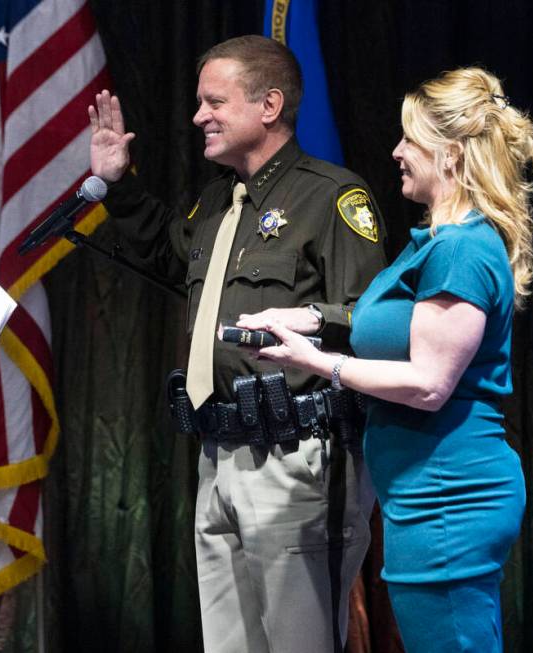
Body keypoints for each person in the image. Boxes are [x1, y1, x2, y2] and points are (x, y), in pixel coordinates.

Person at [88, 35, 387, 652]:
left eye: (214, 102)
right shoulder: (218, 199)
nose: (199, 116)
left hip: (299, 456)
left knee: (300, 641)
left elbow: (373, 318)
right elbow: (171, 256)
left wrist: (308, 318)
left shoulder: (334, 197)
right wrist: (118, 186)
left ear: (269, 105)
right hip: (217, 452)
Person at [239, 67, 533, 651]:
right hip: (422, 493)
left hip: (450, 497)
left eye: (410, 139)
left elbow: (429, 384)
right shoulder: (435, 242)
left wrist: (316, 359)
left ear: (450, 156)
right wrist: (302, 319)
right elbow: (391, 327)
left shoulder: (459, 249)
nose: (396, 152)